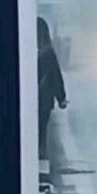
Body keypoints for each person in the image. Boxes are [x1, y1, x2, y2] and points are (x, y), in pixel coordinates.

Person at [37, 18, 67, 160]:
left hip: (31, 99)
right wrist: (61, 98)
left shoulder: (22, 51)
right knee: (41, 130)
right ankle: (39, 155)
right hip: (44, 100)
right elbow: (56, 76)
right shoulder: (47, 52)